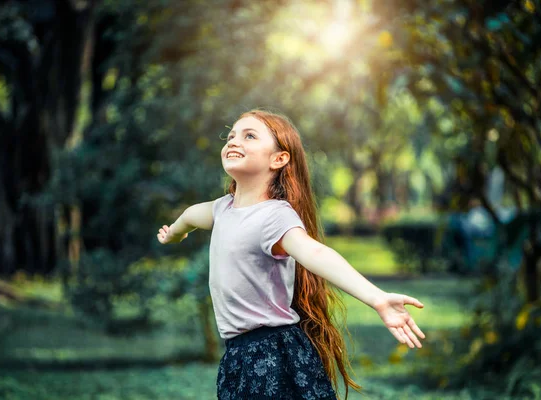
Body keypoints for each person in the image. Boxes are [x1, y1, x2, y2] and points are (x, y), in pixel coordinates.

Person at [157, 109, 425, 400]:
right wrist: (175, 233)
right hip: (238, 356)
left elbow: (314, 252)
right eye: (231, 135)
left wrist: (376, 298)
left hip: (273, 355)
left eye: (249, 136)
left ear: (279, 159)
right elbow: (192, 215)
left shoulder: (274, 216)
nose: (234, 141)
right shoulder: (223, 210)